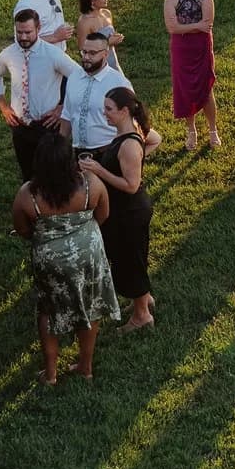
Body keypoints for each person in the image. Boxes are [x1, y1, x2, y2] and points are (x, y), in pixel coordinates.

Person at [12, 123, 118, 383]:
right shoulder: (91, 184)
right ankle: (85, 366)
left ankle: (50, 373)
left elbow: (23, 229)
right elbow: (103, 214)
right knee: (89, 307)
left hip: (49, 259)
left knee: (48, 310)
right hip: (88, 253)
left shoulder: (28, 195)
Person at [80, 88, 155, 330]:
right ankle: (142, 300)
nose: (105, 114)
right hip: (126, 211)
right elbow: (155, 141)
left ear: (124, 111)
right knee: (133, 258)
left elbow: (131, 185)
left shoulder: (130, 145)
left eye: (109, 109)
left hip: (130, 211)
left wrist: (99, 170)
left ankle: (142, 316)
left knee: (130, 261)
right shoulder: (127, 134)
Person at [0, 9, 78, 182]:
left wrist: (63, 107)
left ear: (38, 28)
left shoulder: (52, 54)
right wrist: (3, 106)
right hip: (21, 126)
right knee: (28, 175)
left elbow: (79, 77)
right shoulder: (9, 54)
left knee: (53, 174)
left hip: (47, 126)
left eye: (28, 32)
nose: (23, 37)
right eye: (19, 32)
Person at [164, 0, 218, 151]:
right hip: (181, 49)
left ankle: (213, 130)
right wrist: (195, 26)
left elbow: (208, 24)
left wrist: (185, 28)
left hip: (202, 47)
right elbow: (172, 28)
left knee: (206, 87)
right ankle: (191, 131)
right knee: (185, 89)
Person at [61, 32, 120, 159]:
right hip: (78, 153)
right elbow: (67, 115)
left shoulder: (118, 83)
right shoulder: (74, 77)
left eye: (92, 53)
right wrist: (60, 147)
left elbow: (131, 123)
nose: (86, 57)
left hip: (108, 152)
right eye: (84, 52)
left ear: (105, 54)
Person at [75, 0, 125, 68]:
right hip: (96, 67)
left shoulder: (107, 13)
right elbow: (83, 51)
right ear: (92, 1)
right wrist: (108, 42)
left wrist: (115, 38)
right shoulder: (85, 22)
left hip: (112, 60)